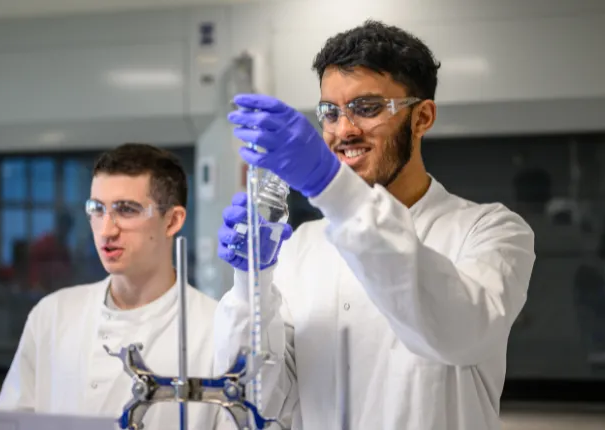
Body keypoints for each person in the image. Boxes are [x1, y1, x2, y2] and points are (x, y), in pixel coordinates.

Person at [214, 21, 536, 430]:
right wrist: (250, 284)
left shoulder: (491, 231)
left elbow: (458, 334)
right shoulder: (301, 247)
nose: (344, 130)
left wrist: (328, 183)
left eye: (366, 108)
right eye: (330, 112)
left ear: (422, 118)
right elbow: (260, 399)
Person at [0, 143, 226, 428]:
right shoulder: (52, 315)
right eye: (97, 209)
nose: (106, 230)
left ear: (172, 221)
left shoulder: (216, 329)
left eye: (126, 210)